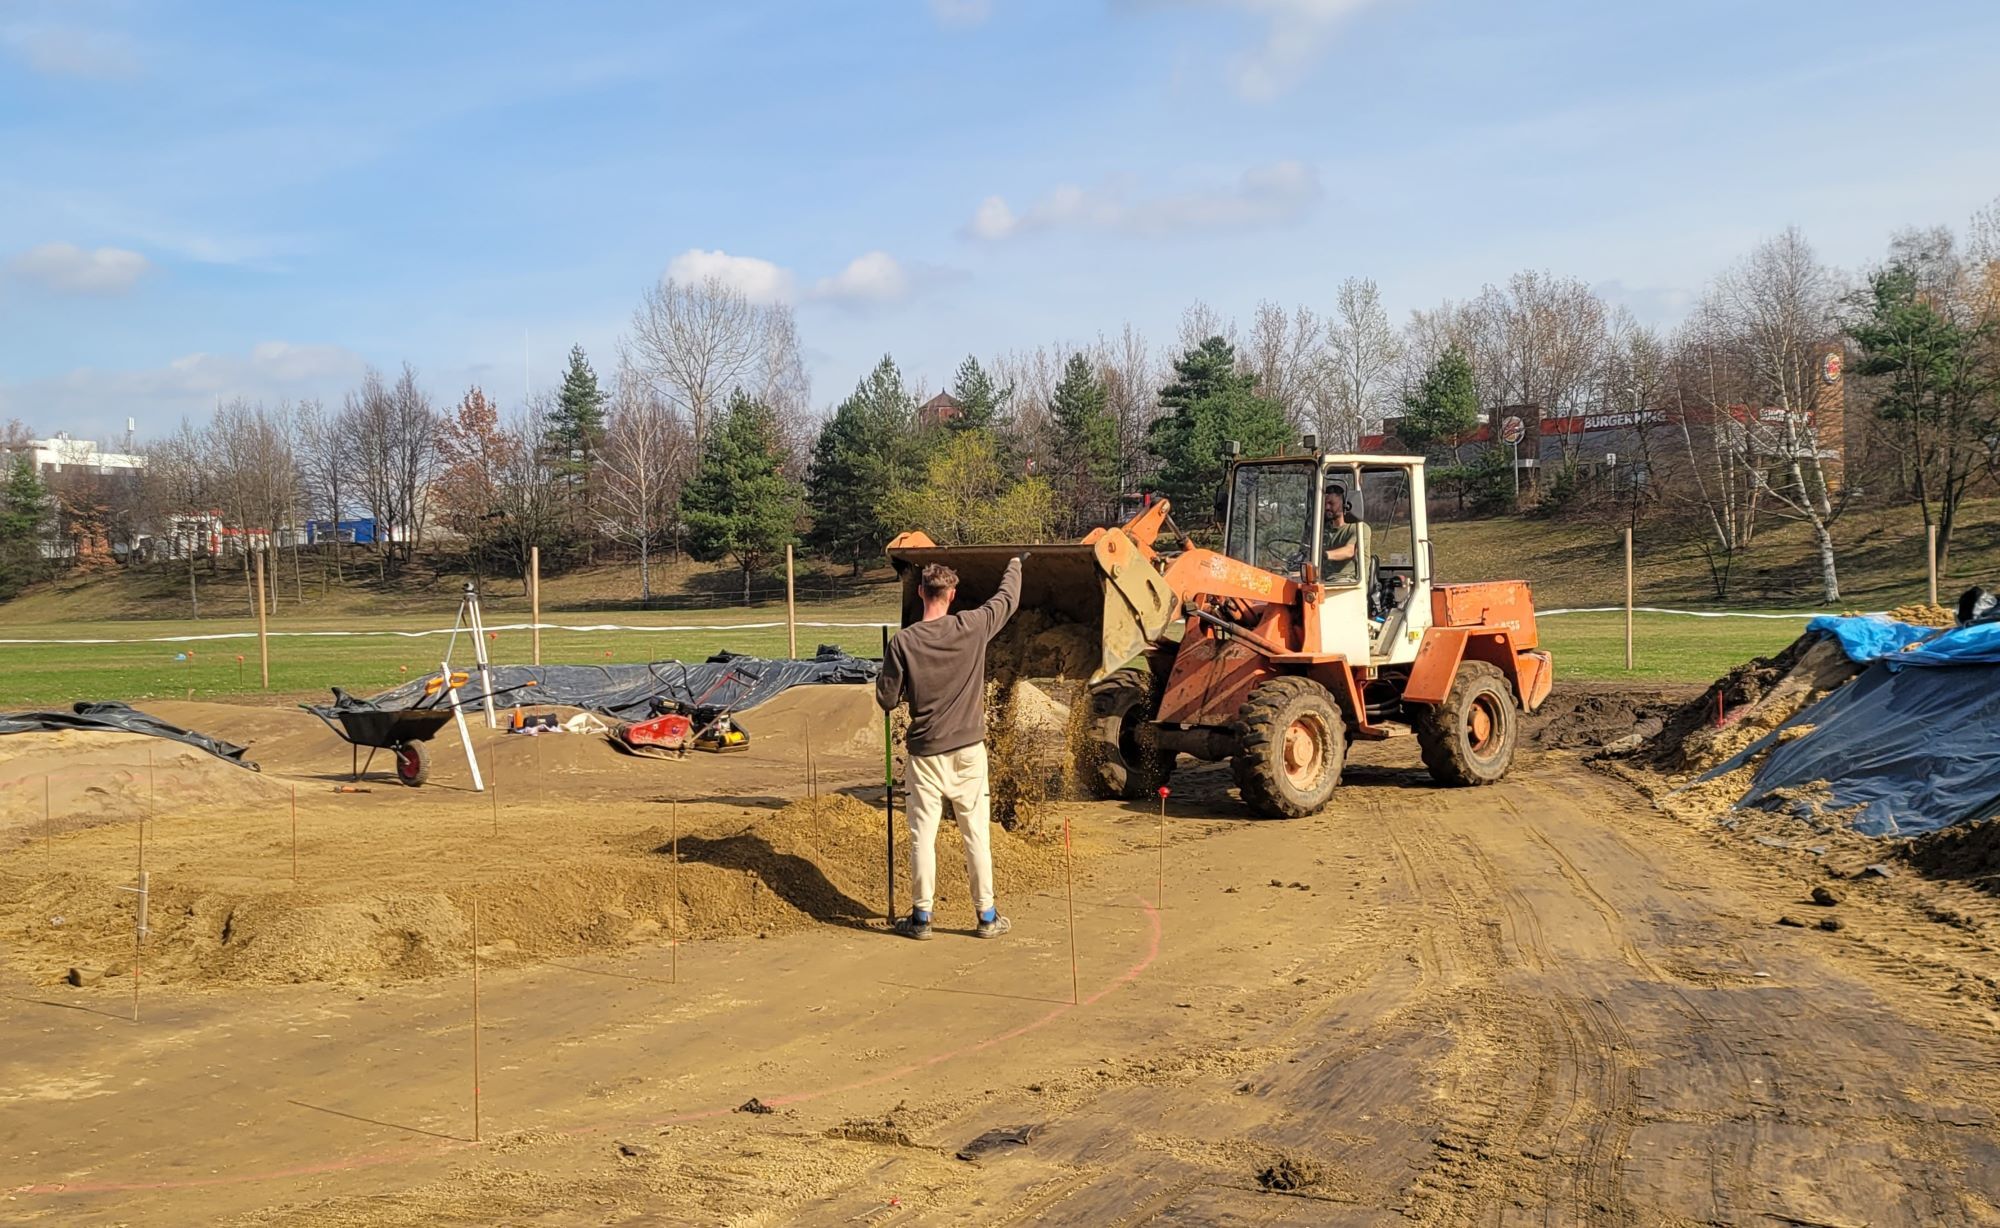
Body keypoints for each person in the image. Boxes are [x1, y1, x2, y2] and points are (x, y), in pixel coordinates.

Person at [874, 554, 1024, 940]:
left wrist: (895, 677)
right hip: (969, 750)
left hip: (925, 753)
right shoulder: (973, 625)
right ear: (953, 594)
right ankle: (986, 916)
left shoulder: (903, 641)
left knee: (922, 835)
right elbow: (1007, 598)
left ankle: (922, 918)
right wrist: (1014, 565)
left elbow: (887, 701)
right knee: (976, 832)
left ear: (922, 592)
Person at [1322, 485, 1369, 585]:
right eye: (1325, 504)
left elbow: (1349, 551)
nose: (1327, 507)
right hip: (1324, 580)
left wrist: (1325, 555)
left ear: (1346, 505)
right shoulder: (1324, 530)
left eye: (1331, 503)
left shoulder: (1359, 528)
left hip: (1348, 581)